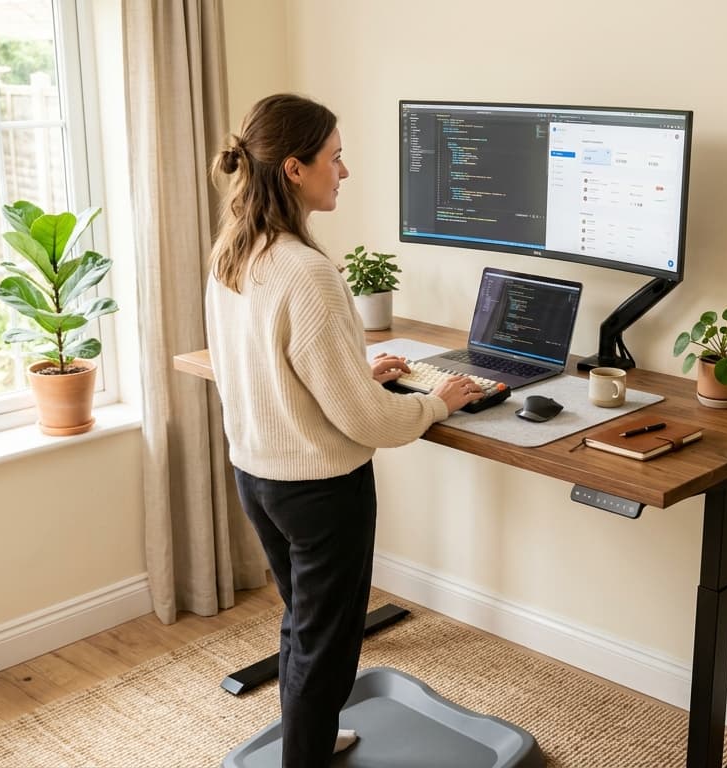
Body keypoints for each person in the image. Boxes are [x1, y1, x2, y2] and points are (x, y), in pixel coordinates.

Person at [204, 93, 483, 767]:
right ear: (295, 169)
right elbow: (366, 422)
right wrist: (438, 401)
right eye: (335, 158)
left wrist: (356, 365)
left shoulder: (235, 253)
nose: (345, 172)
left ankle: (316, 740)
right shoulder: (311, 272)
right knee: (327, 647)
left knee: (303, 625)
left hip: (258, 476)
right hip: (322, 490)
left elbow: (271, 361)